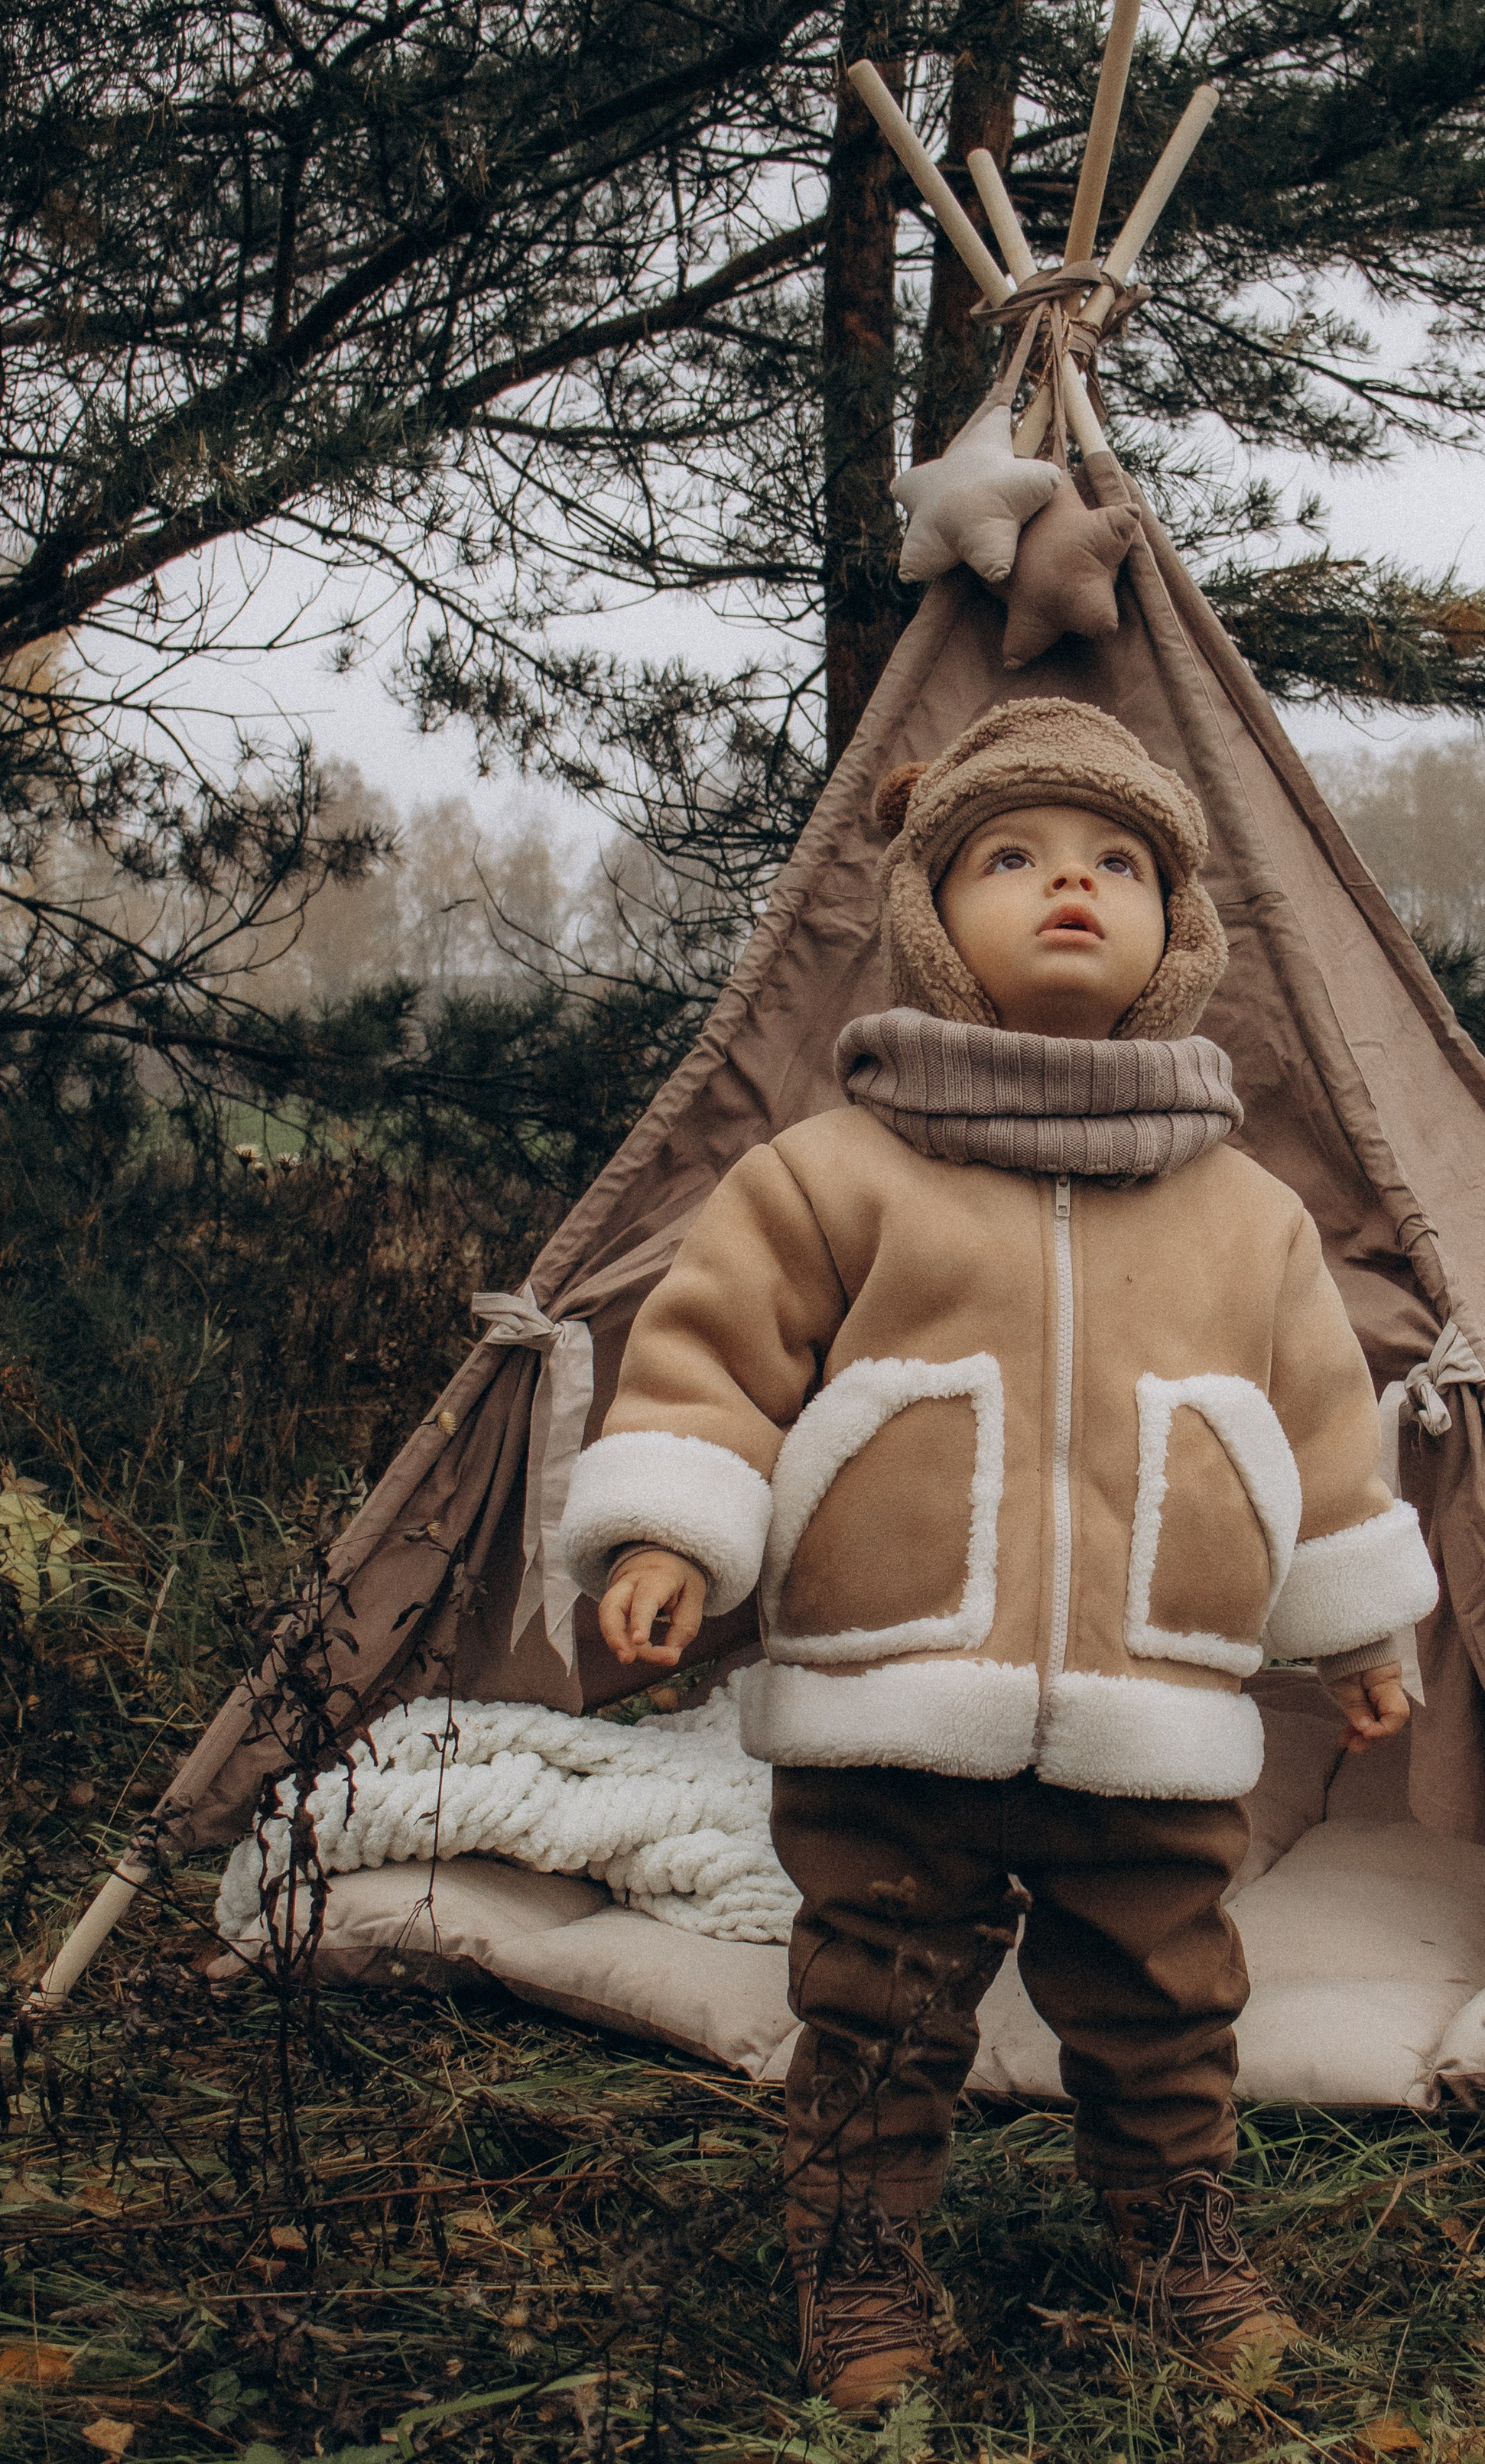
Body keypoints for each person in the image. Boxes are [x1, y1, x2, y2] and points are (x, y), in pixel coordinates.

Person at [559, 700, 1436, 2414]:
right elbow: (714, 1360)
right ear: (928, 913)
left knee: (1164, 1991)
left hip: (1151, 1698)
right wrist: (672, 1522)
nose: (1068, 889)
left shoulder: (1240, 1208)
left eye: (1117, 865)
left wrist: (1358, 1624)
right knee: (877, 1994)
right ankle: (858, 2257)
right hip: (895, 1698)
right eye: (1011, 858)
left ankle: (1177, 2228)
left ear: (1174, 936)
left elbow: (1323, 1427)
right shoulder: (831, 1170)